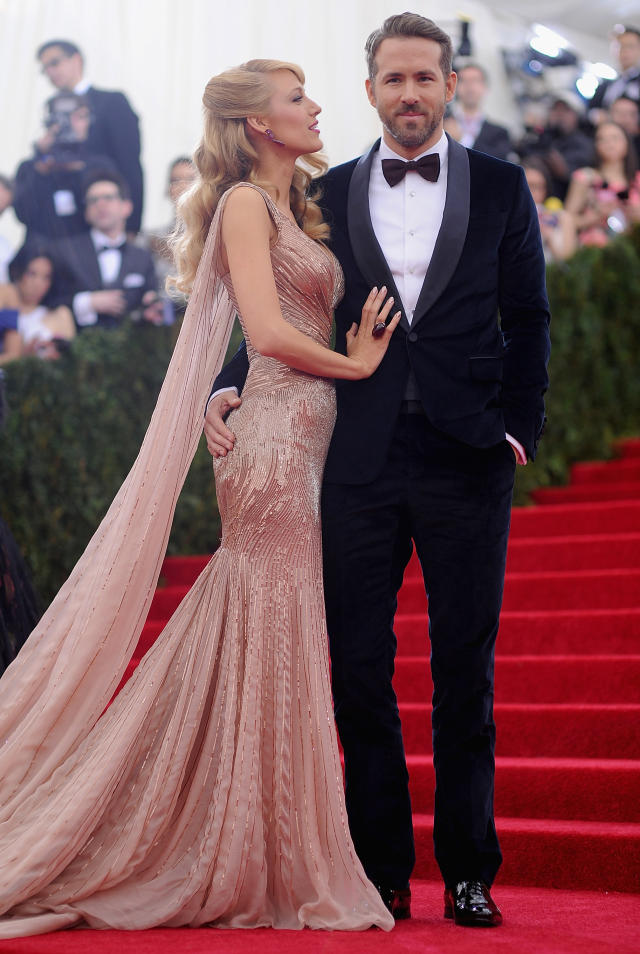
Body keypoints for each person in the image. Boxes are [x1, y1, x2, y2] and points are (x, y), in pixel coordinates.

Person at [0, 57, 399, 937]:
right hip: (272, 445)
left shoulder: (294, 203)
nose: (317, 105)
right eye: (297, 99)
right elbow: (266, 333)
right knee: (266, 607)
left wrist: (234, 390)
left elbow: (261, 341)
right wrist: (358, 363)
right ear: (259, 124)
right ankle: (233, 834)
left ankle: (250, 828)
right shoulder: (247, 205)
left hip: (295, 432)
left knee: (266, 614)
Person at [206, 13, 551, 928]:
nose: (409, 94)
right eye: (392, 80)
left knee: (464, 669)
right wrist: (231, 381)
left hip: (469, 456)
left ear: (448, 84)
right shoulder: (328, 191)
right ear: (370, 91)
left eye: (424, 79)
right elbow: (288, 307)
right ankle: (381, 872)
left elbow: (530, 317)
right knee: (358, 667)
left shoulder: (504, 187)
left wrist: (520, 427)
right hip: (350, 457)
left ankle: (471, 869)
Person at [37, 39, 144, 233]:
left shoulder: (111, 103)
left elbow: (129, 164)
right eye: (45, 69)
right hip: (62, 226)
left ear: (76, 60)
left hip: (107, 220)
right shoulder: (52, 109)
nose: (50, 73)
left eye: (54, 63)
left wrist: (131, 225)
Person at [52, 170, 161, 330]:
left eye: (108, 198)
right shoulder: (65, 251)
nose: (100, 204)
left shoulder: (142, 257)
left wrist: (151, 306)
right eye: (93, 200)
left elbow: (152, 299)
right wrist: (87, 302)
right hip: (77, 347)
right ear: (86, 213)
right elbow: (48, 301)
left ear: (127, 207)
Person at [13, 93, 117, 243]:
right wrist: (41, 164)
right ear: (50, 122)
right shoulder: (31, 167)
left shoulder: (101, 166)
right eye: (65, 117)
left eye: (81, 117)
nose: (72, 124)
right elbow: (24, 214)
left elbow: (108, 215)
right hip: (40, 253)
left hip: (84, 254)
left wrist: (79, 171)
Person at [564, 119, 640, 247]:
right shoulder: (585, 178)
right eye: (602, 139)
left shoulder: (637, 180)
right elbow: (567, 220)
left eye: (615, 138)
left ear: (627, 143)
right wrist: (595, 216)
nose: (609, 144)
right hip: (594, 251)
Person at [1, 245, 75, 359]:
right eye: (32, 274)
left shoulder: (60, 314)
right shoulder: (6, 296)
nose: (38, 284)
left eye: (46, 277)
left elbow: (70, 360)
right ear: (18, 272)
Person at [448, 62, 514, 160]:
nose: (469, 86)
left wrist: (463, 139)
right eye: (463, 81)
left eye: (475, 80)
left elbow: (498, 164)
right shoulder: (442, 123)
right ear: (455, 87)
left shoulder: (500, 133)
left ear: (485, 87)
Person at [522, 157, 577, 262]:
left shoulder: (563, 218)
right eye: (529, 185)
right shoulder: (508, 218)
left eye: (540, 187)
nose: (534, 193)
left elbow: (569, 262)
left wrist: (549, 236)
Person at [590, 26, 640, 122]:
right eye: (619, 46)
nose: (624, 51)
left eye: (630, 46)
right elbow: (591, 110)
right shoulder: (604, 85)